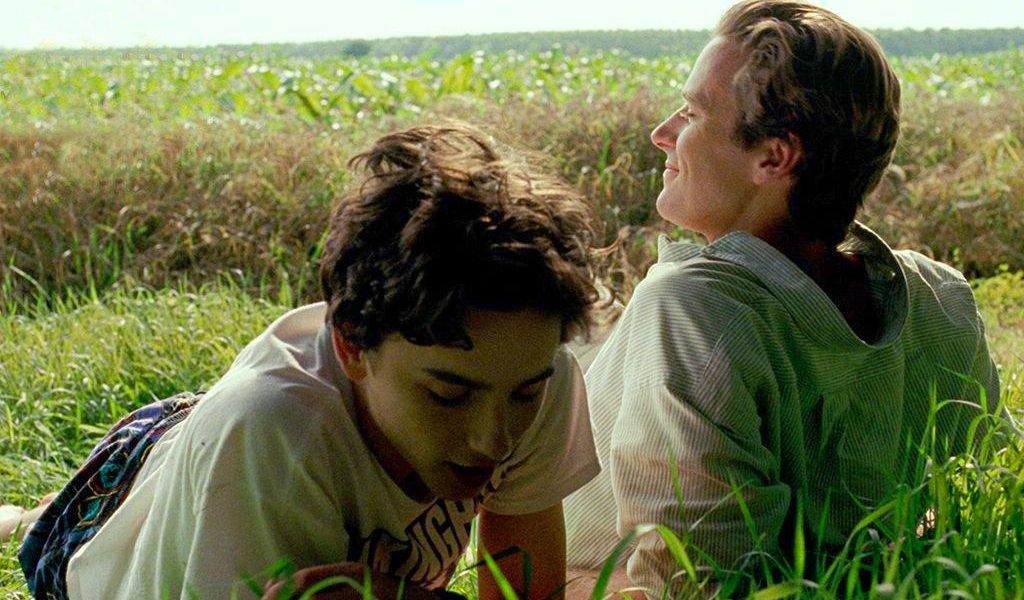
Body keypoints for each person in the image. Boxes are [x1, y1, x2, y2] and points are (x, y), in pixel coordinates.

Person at [14, 123, 603, 600]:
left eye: (524, 396)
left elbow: (529, 593)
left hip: (215, 436)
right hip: (101, 524)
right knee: (88, 508)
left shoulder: (531, 370)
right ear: (352, 347)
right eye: (448, 395)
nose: (494, 439)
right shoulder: (271, 435)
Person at [562, 1, 1010, 597]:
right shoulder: (940, 297)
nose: (662, 134)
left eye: (692, 114)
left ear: (773, 157)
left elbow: (697, 586)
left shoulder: (692, 308)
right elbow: (983, 501)